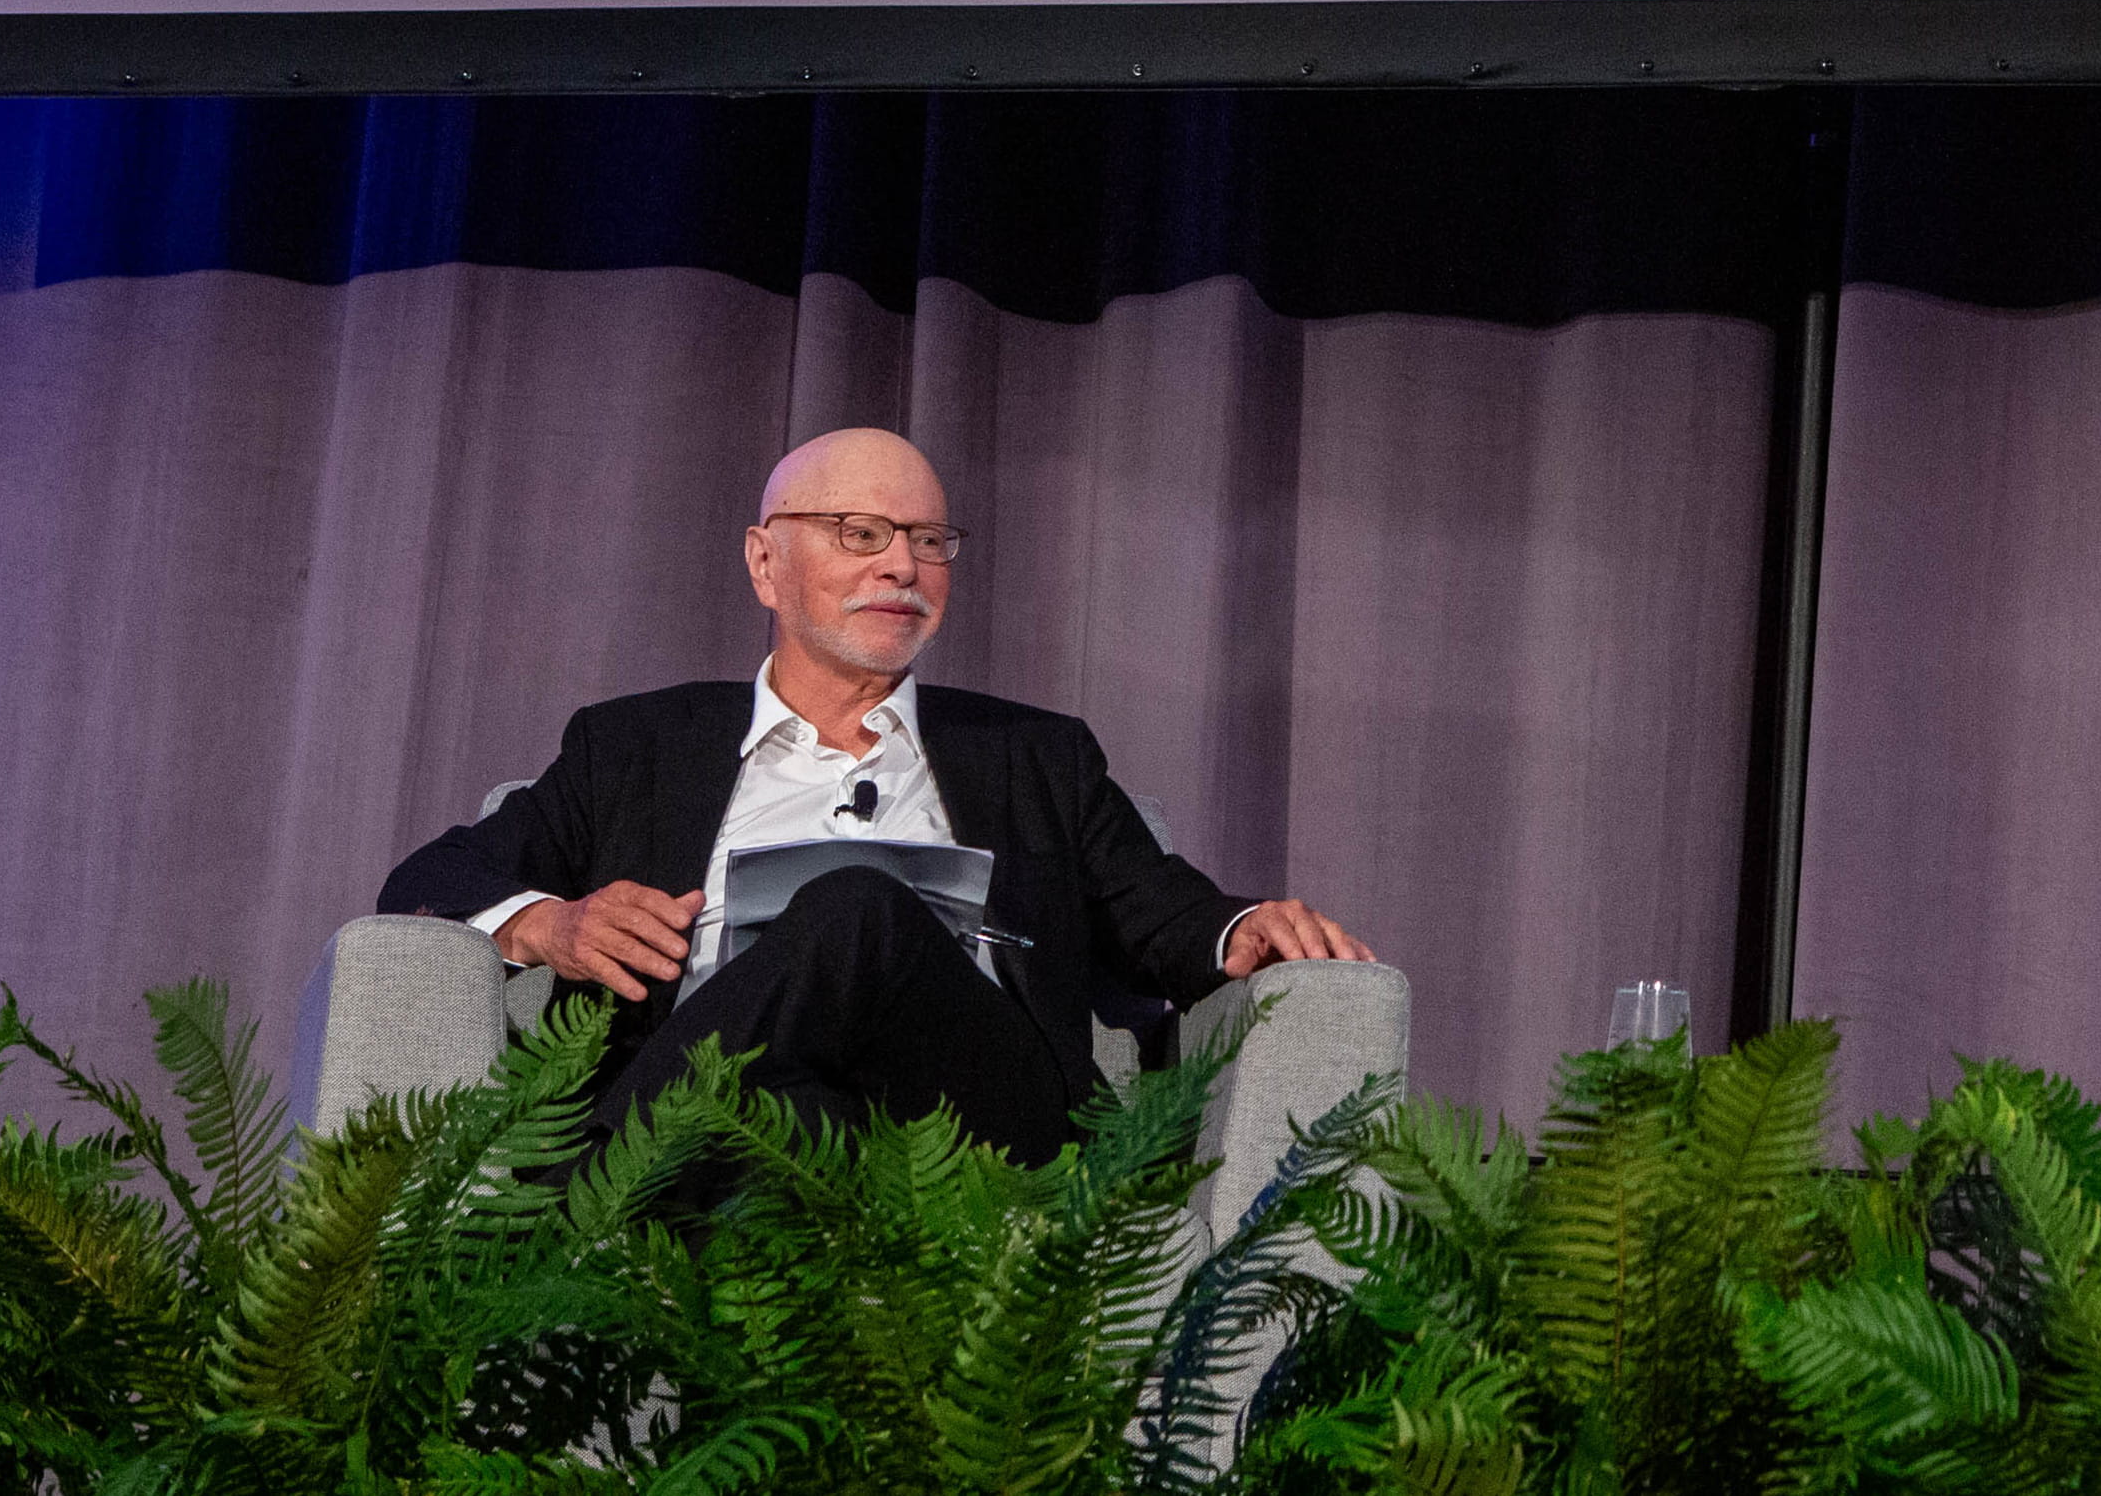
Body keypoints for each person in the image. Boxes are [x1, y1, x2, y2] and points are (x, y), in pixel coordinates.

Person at [379, 427, 1371, 1160]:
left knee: (855, 901)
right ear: (766, 562)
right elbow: (432, 878)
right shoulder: (636, 745)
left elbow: (1157, 909)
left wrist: (1238, 925)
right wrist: (551, 925)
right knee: (797, 1121)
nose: (901, 563)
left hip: (982, 1110)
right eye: (859, 532)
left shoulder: (1034, 756)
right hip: (763, 1129)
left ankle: (611, 1168)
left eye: (929, 540)